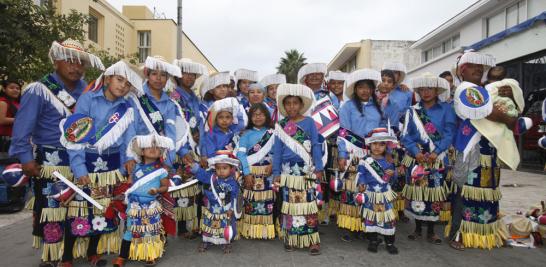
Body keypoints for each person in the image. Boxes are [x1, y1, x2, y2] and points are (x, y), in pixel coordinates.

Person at [9, 39, 104, 267]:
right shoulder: (38, 89)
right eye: (69, 61)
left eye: (81, 62)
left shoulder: (89, 91)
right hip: (52, 161)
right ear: (55, 60)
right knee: (53, 210)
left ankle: (75, 253)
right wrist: (25, 158)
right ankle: (51, 257)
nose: (76, 67)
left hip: (82, 159)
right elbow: (22, 128)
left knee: (82, 208)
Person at [59, 60, 142, 267]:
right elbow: (75, 135)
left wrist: (129, 160)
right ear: (107, 78)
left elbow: (129, 138)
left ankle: (92, 252)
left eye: (127, 83)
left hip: (111, 167)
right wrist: (78, 168)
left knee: (103, 209)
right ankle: (67, 256)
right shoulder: (87, 99)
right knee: (78, 209)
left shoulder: (128, 106)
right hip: (86, 161)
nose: (123, 86)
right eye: (119, 79)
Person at [450, 50, 518, 250]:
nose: (478, 69)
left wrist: (510, 99)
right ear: (462, 71)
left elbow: (511, 114)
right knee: (466, 192)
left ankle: (489, 234)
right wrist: (506, 117)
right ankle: (458, 235)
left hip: (489, 149)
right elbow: (492, 113)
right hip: (470, 147)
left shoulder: (487, 91)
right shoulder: (466, 89)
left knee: (489, 192)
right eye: (472, 66)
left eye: (480, 67)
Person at [401, 73, 456, 245]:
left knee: (434, 194)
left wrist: (437, 150)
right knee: (418, 192)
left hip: (437, 158)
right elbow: (406, 136)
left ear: (437, 90)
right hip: (417, 157)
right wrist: (414, 151)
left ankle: (432, 231)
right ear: (418, 91)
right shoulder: (412, 110)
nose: (426, 92)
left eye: (430, 89)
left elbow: (450, 133)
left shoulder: (446, 109)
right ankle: (417, 228)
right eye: (422, 89)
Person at [272, 84, 324, 255]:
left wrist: (319, 167)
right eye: (288, 103)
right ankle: (292, 238)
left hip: (306, 171)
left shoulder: (309, 122)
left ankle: (312, 240)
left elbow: (316, 145)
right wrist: (276, 173)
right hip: (288, 174)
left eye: (295, 103)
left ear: (301, 105)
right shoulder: (281, 125)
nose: (292, 106)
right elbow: (277, 151)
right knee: (290, 206)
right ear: (284, 106)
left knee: (308, 205)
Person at [335, 68, 384, 241]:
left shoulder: (378, 107)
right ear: (355, 89)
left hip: (374, 154)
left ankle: (369, 226)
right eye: (361, 87)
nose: (364, 90)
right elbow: (343, 132)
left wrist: (388, 153)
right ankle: (351, 227)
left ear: (372, 89)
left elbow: (385, 130)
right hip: (353, 154)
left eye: (368, 87)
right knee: (352, 190)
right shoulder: (347, 107)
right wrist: (342, 154)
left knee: (370, 190)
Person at [113, 134, 173, 267]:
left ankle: (150, 254)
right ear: (142, 150)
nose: (153, 149)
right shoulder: (135, 167)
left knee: (151, 230)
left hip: (151, 205)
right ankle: (122, 256)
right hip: (135, 205)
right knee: (130, 229)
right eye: (149, 146)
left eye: (157, 147)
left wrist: (157, 191)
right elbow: (130, 184)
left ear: (160, 152)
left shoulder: (161, 170)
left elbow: (165, 187)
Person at [170, 58, 208, 239]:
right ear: (178, 75)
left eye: (193, 74)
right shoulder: (174, 96)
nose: (190, 77)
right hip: (182, 146)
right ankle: (183, 227)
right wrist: (185, 145)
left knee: (196, 187)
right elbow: (175, 124)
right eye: (186, 73)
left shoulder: (194, 97)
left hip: (197, 146)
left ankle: (195, 225)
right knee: (184, 187)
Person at [131, 55, 182, 169]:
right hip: (137, 157)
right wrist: (130, 158)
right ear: (147, 75)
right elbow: (130, 130)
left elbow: (171, 135)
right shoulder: (136, 97)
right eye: (154, 74)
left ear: (167, 78)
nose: (158, 78)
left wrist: (168, 163)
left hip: (160, 158)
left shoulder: (170, 104)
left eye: (163, 75)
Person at [186, 151, 240, 254]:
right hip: (211, 208)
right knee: (209, 224)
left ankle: (226, 242)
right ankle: (207, 241)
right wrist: (193, 166)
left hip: (226, 209)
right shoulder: (211, 178)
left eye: (225, 168)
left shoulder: (233, 183)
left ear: (231, 168)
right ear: (215, 168)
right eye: (218, 168)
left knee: (225, 225)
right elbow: (201, 174)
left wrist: (231, 209)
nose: (221, 171)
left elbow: (234, 197)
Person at [357, 127, 399, 254]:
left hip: (384, 195)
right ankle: (373, 241)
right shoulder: (364, 161)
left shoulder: (389, 160)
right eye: (374, 143)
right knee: (372, 217)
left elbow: (393, 180)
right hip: (371, 195)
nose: (377, 147)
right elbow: (361, 174)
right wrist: (362, 183)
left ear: (386, 146)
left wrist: (393, 174)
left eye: (381, 144)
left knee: (387, 218)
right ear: (369, 144)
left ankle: (390, 242)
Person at [237, 103, 276, 239]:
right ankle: (251, 231)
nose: (258, 117)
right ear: (250, 117)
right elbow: (241, 155)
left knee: (268, 202)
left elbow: (278, 152)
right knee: (251, 202)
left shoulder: (273, 133)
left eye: (261, 114)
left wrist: (273, 164)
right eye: (254, 115)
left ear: (267, 116)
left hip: (268, 173)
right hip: (251, 172)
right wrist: (246, 173)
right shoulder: (246, 134)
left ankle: (266, 232)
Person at [0, 79, 21, 156]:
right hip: (4, 140)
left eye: (18, 88)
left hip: (16, 140)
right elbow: (1, 120)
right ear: (4, 89)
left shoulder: (17, 103)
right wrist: (22, 119)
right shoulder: (3, 102)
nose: (15, 90)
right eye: (11, 88)